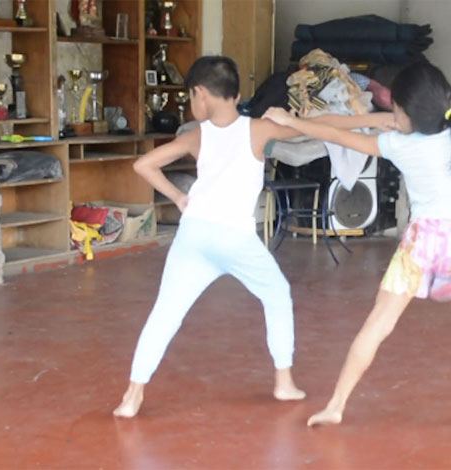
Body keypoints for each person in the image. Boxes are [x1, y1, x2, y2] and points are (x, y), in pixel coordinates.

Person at [263, 61, 451, 426]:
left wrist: (293, 123)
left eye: (395, 108)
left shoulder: (400, 145)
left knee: (378, 324)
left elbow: (338, 136)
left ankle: (336, 405)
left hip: (424, 241)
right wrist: (394, 120)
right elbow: (402, 123)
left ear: (409, 111)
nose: (391, 114)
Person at [113, 56, 307, 418]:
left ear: (201, 93)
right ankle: (284, 382)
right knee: (277, 293)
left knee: (165, 313)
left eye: (190, 96)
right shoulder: (257, 129)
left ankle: (132, 396)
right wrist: (291, 120)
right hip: (234, 238)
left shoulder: (195, 135)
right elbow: (321, 128)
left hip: (194, 234)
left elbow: (143, 165)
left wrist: (178, 197)